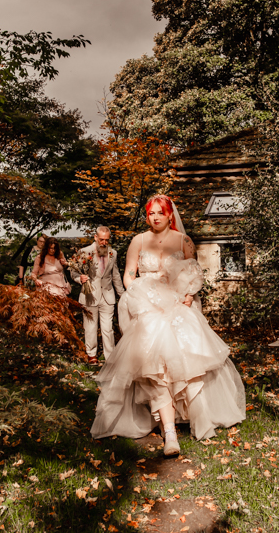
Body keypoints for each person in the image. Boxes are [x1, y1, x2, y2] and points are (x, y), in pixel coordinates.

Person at [90, 195, 246, 456]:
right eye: (152, 213)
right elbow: (129, 276)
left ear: (170, 215)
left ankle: (188, 416)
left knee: (183, 363)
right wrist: (143, 298)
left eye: (161, 212)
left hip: (177, 305)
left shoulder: (183, 241)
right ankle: (169, 432)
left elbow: (194, 273)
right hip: (146, 307)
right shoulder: (138, 241)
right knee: (155, 367)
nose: (156, 217)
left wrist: (186, 296)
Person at [70, 226, 125, 365]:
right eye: (101, 239)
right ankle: (92, 355)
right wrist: (79, 278)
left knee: (108, 328)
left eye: (107, 240)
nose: (104, 243)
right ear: (95, 237)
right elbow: (73, 272)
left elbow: (115, 276)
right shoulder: (84, 252)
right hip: (89, 295)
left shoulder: (113, 253)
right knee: (90, 327)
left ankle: (110, 357)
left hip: (108, 296)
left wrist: (123, 295)